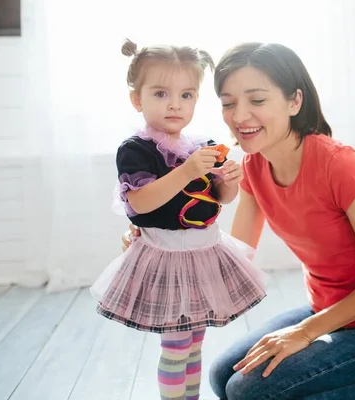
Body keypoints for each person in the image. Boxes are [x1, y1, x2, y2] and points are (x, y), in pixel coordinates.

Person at [123, 42, 355, 399]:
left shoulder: (340, 166)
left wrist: (304, 333)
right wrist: (158, 240)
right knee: (223, 377)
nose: (239, 116)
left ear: (294, 101)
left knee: (247, 393)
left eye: (257, 100)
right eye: (228, 103)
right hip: (329, 309)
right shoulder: (253, 167)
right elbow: (237, 255)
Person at [91, 39, 267, 400]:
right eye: (160, 93)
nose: (175, 104)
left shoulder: (202, 145)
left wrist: (227, 182)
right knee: (175, 346)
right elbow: (139, 202)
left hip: (204, 252)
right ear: (137, 100)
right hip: (167, 257)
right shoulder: (136, 149)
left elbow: (219, 200)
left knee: (195, 342)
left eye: (186, 95)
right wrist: (186, 172)